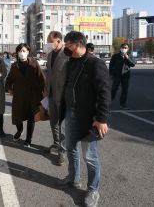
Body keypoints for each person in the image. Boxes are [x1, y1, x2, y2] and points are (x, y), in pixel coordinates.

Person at [57, 31, 110, 207]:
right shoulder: (72, 62)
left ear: (78, 43)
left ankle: (93, 189)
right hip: (71, 113)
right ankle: (74, 178)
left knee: (90, 155)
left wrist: (101, 118)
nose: (66, 47)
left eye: (68, 44)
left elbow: (104, 93)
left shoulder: (95, 63)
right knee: (71, 147)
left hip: (89, 118)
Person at [5, 43, 45, 147]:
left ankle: (28, 139)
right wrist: (9, 88)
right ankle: (20, 130)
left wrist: (45, 92)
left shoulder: (34, 63)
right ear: (17, 53)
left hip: (33, 95)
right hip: (19, 95)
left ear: (28, 52)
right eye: (20, 51)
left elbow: (41, 78)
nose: (22, 53)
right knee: (17, 116)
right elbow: (9, 80)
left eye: (24, 51)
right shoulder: (14, 66)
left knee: (31, 118)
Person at [44, 31, 68, 165]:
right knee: (53, 121)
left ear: (58, 41)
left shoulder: (67, 55)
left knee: (63, 125)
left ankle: (63, 151)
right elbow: (48, 74)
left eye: (50, 42)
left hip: (63, 96)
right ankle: (56, 143)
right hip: (51, 94)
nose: (48, 44)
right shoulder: (49, 55)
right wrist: (46, 90)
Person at [109, 43, 136, 109]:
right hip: (117, 75)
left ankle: (123, 104)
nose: (124, 49)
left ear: (128, 49)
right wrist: (111, 74)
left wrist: (127, 58)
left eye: (125, 48)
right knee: (114, 89)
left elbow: (133, 64)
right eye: (123, 47)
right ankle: (109, 101)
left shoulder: (130, 56)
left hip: (125, 75)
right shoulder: (115, 56)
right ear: (120, 48)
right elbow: (111, 65)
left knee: (124, 90)